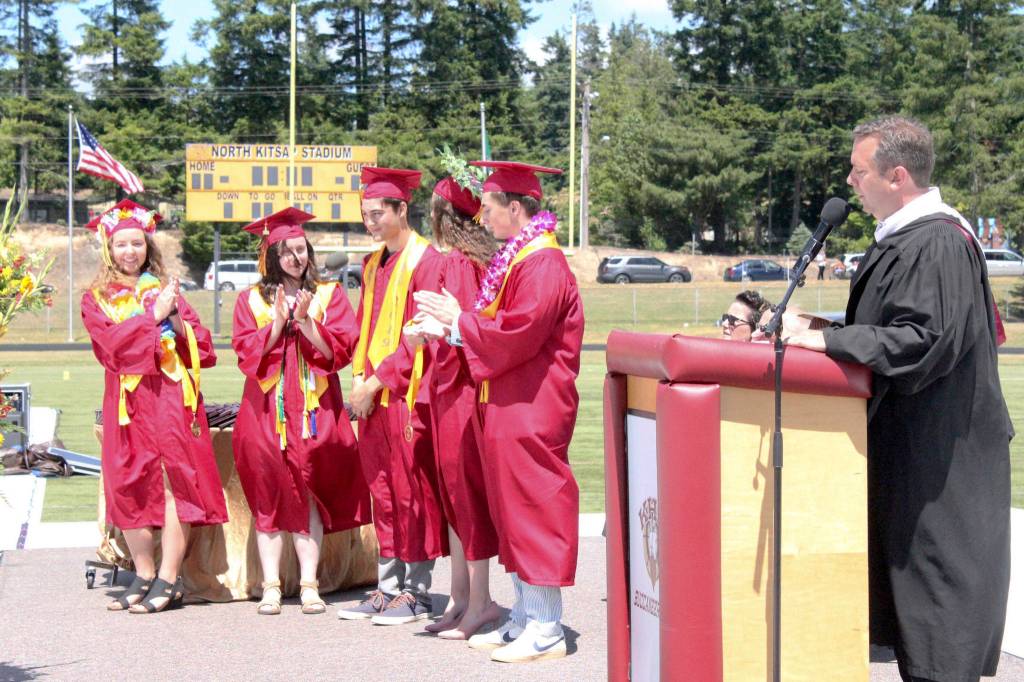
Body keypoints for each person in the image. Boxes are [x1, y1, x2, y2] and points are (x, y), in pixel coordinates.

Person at [780, 116, 1012, 682]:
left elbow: (924, 339)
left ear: (897, 175)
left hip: (942, 466)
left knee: (939, 634)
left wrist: (829, 341)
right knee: (920, 631)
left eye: (859, 171)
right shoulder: (912, 238)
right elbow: (897, 326)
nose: (850, 182)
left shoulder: (938, 241)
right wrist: (816, 327)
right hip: (914, 455)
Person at [415, 160, 584, 663]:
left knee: (533, 510)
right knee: (511, 512)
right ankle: (527, 614)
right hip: (509, 403)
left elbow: (518, 331)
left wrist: (459, 322)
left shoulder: (544, 263)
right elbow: (502, 325)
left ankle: (547, 626)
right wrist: (451, 330)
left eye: (488, 208)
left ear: (515, 208)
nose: (482, 217)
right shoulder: (521, 259)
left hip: (533, 406)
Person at [81, 199, 227, 614]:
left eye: (137, 243)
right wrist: (152, 318)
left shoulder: (164, 290)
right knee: (127, 484)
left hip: (170, 397)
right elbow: (111, 348)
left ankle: (168, 577)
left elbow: (202, 348)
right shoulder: (96, 299)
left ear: (148, 247)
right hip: (127, 401)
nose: (130, 251)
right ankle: (143, 573)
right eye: (121, 244)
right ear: (109, 248)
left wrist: (174, 315)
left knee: (174, 485)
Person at [231, 207, 371, 616]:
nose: (296, 257)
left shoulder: (328, 294)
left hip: (314, 410)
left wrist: (308, 323)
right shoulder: (251, 300)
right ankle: (271, 586)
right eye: (286, 251)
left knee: (309, 489)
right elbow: (245, 354)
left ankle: (310, 585)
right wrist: (276, 324)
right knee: (269, 495)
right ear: (272, 257)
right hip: (266, 410)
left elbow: (341, 349)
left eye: (301, 249)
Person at [336, 167, 448, 625]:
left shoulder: (428, 262)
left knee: (412, 491)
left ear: (402, 210)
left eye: (377, 213)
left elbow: (422, 337)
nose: (370, 222)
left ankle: (416, 592)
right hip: (372, 397)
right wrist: (357, 381)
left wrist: (375, 382)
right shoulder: (371, 264)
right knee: (382, 489)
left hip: (407, 394)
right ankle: (386, 588)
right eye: (365, 214)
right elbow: (363, 329)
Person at [410, 175, 502, 639]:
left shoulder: (463, 264)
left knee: (465, 496)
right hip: (450, 388)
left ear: (440, 216)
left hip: (460, 391)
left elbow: (462, 328)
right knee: (454, 498)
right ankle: (460, 598)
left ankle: (479, 602)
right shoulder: (471, 260)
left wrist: (433, 330)